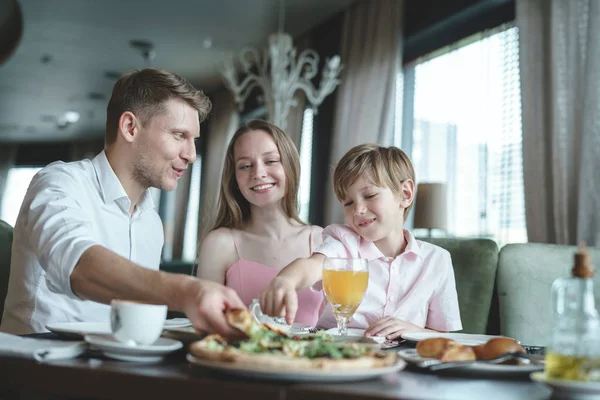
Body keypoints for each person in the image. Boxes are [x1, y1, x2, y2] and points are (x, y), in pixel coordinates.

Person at [0, 68, 244, 336]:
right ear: (130, 127)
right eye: (179, 136)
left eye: (194, 140)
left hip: (113, 367)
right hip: (36, 367)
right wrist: (186, 290)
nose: (191, 155)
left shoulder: (151, 222)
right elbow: (78, 265)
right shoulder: (60, 184)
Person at [259, 144, 462, 340]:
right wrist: (286, 280)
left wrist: (413, 331)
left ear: (405, 194)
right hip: (337, 356)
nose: (358, 210)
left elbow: (444, 338)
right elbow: (312, 266)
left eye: (370, 195)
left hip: (403, 365)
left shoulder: (437, 260)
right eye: (348, 202)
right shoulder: (344, 243)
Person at [196, 119, 324, 326]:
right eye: (245, 166)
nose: (258, 174)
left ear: (290, 165)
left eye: (271, 161)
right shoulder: (219, 243)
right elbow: (205, 325)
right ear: (234, 178)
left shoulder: (322, 240)